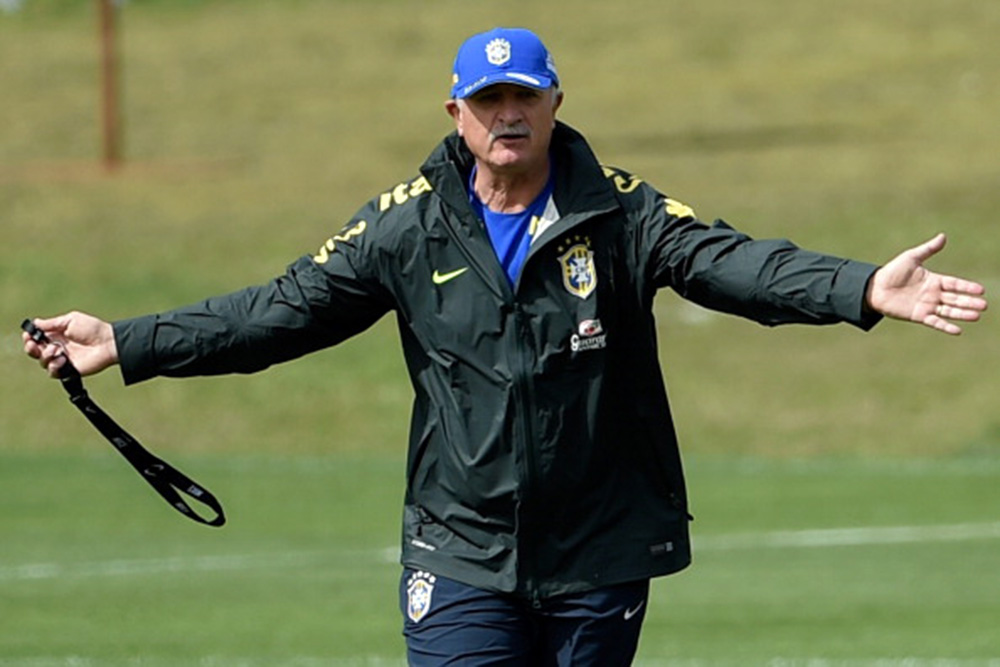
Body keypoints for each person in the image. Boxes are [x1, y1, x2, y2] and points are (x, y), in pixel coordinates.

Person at [23, 27, 986, 666]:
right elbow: (281, 310)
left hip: (600, 548)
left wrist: (859, 286)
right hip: (461, 547)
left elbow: (731, 263)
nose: (507, 114)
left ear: (556, 101)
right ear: (456, 115)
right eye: (488, 100)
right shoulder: (403, 228)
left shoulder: (622, 209)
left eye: (524, 94)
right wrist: (129, 340)